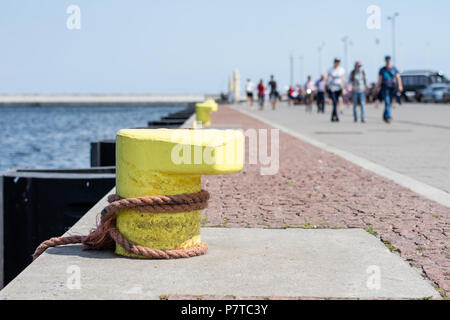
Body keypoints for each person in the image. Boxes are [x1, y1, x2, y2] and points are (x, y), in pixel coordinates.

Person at [376, 55, 403, 123]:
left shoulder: (394, 69)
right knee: (387, 102)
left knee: (389, 103)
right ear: (385, 61)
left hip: (392, 88)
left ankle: (385, 115)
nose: (388, 62)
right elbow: (380, 79)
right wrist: (376, 88)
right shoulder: (382, 70)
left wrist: (400, 86)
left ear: (390, 61)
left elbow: (398, 77)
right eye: (387, 60)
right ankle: (388, 116)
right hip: (385, 88)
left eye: (389, 60)